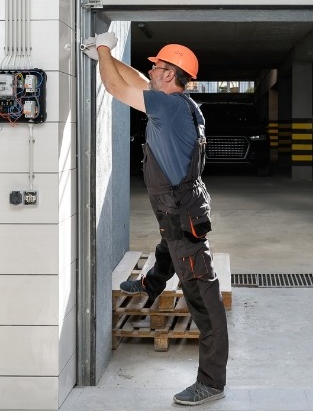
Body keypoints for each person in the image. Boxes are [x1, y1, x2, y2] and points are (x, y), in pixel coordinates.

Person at [83, 33, 229, 406]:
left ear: (170, 75)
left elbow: (116, 88)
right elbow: (135, 80)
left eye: (157, 66)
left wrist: (103, 51)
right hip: (180, 209)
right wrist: (108, 56)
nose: (150, 70)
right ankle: (151, 284)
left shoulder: (168, 108)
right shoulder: (177, 103)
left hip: (182, 214)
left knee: (204, 300)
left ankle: (211, 382)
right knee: (168, 247)